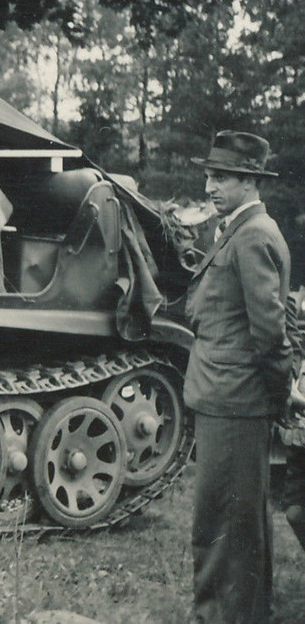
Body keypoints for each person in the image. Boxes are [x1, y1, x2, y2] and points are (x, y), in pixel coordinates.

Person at [185, 130, 294, 623]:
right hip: (228, 398)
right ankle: (244, 612)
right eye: (209, 174)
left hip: (235, 400)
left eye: (222, 176)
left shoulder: (252, 235)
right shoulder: (236, 228)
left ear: (250, 181)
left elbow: (270, 332)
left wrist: (278, 395)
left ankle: (223, 616)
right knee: (240, 517)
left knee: (223, 520)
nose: (210, 185)